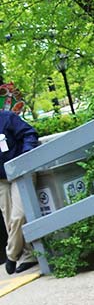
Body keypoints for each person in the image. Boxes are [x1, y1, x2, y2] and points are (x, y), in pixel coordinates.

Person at [0, 109, 40, 274]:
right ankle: (28, 256)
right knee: (9, 219)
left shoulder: (7, 118)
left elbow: (30, 134)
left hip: (19, 173)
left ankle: (11, 255)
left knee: (19, 215)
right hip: (1, 179)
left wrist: (25, 156)